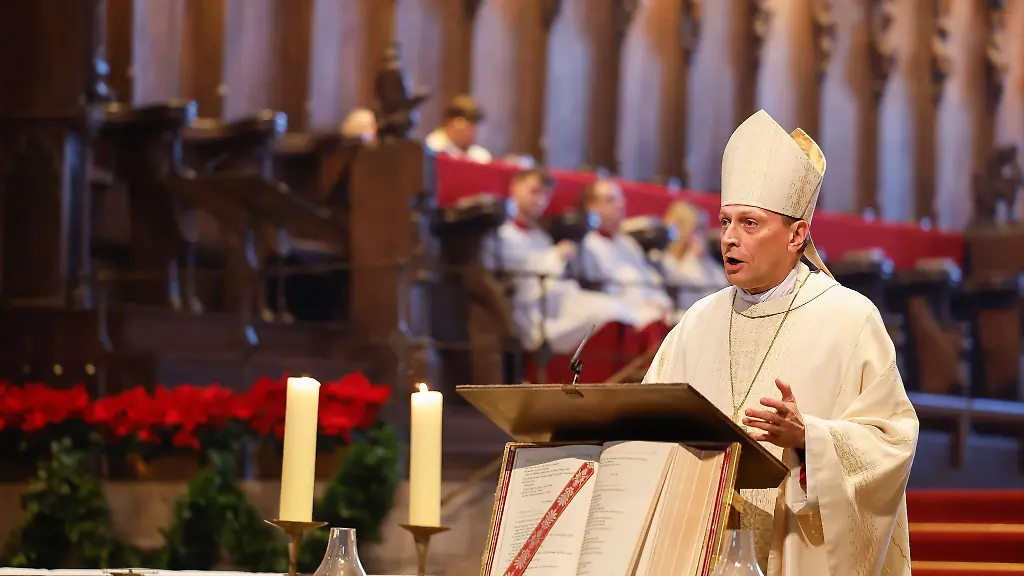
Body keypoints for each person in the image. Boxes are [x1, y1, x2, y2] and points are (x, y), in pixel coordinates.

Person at [643, 110, 918, 575]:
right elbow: (649, 425)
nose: (729, 238)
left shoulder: (850, 319)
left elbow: (891, 443)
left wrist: (810, 438)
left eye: (750, 223)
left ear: (797, 234)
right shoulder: (698, 321)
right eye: (726, 221)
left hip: (794, 547)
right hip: (698, 549)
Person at [480, 168, 633, 354]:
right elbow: (519, 282)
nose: (540, 200)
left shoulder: (541, 237)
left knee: (614, 309)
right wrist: (556, 255)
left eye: (545, 195)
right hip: (531, 309)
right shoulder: (501, 235)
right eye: (534, 191)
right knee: (603, 312)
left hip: (557, 299)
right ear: (515, 188)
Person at [578, 178, 674, 327]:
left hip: (648, 309)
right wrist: (643, 305)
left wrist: (659, 301)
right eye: (610, 200)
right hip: (621, 314)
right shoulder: (587, 244)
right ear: (592, 206)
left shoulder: (627, 243)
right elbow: (602, 290)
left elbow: (649, 278)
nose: (620, 204)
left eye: (620, 199)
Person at [657, 200, 728, 311]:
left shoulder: (703, 259)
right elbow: (685, 295)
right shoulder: (665, 260)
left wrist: (703, 260)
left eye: (702, 230)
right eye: (695, 230)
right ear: (683, 231)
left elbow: (722, 287)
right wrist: (693, 260)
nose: (700, 237)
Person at [425, 94, 492, 163]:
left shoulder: (480, 156)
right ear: (451, 122)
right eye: (469, 125)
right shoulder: (433, 148)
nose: (473, 130)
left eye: (476, 125)